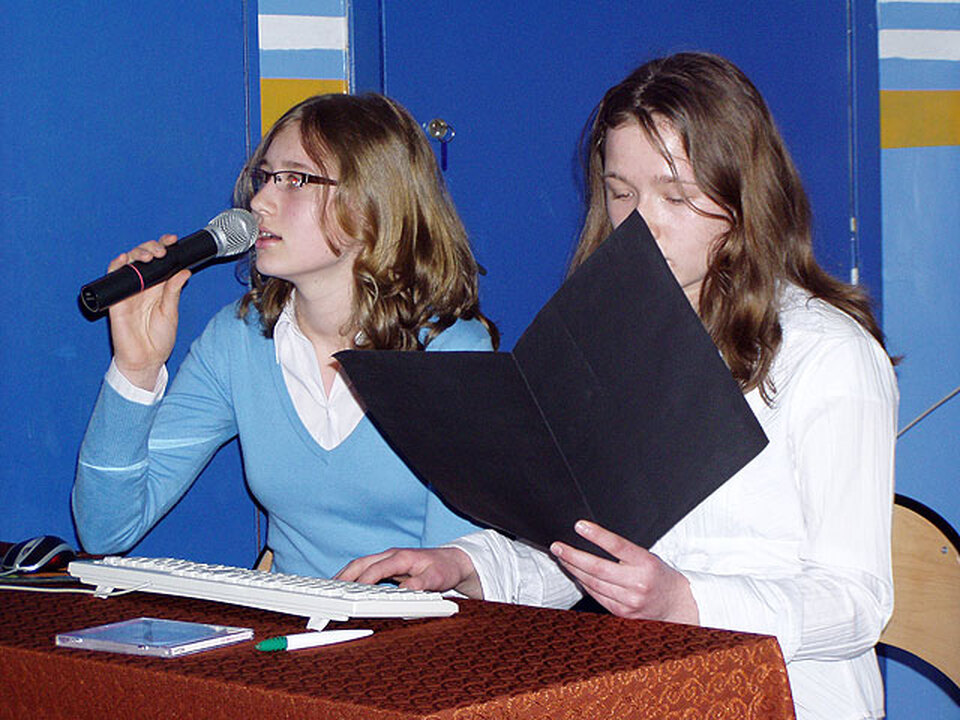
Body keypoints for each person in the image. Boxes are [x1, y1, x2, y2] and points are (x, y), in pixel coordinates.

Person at [337, 53, 898, 720]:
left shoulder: (827, 353)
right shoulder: (612, 330)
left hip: (792, 697)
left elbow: (857, 603)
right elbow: (588, 548)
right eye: (621, 193)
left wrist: (685, 600)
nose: (640, 223)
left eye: (676, 196)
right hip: (645, 689)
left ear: (746, 199)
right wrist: (467, 565)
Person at [72, 92, 499, 578]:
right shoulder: (240, 338)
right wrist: (136, 369)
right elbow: (106, 530)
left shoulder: (451, 352)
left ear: (374, 204)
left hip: (405, 623)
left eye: (295, 179)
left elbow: (447, 574)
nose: (259, 202)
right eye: (264, 177)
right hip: (288, 619)